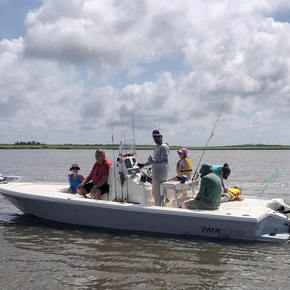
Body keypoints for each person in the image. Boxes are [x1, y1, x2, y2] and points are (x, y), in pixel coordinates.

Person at [137, 129, 169, 206]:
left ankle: (158, 210)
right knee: (158, 194)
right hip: (156, 174)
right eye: (154, 137)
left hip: (159, 175)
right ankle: (161, 208)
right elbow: (153, 160)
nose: (155, 139)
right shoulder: (157, 147)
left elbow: (165, 161)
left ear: (161, 137)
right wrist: (144, 164)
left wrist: (154, 161)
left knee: (157, 194)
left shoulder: (163, 147)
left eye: (157, 137)